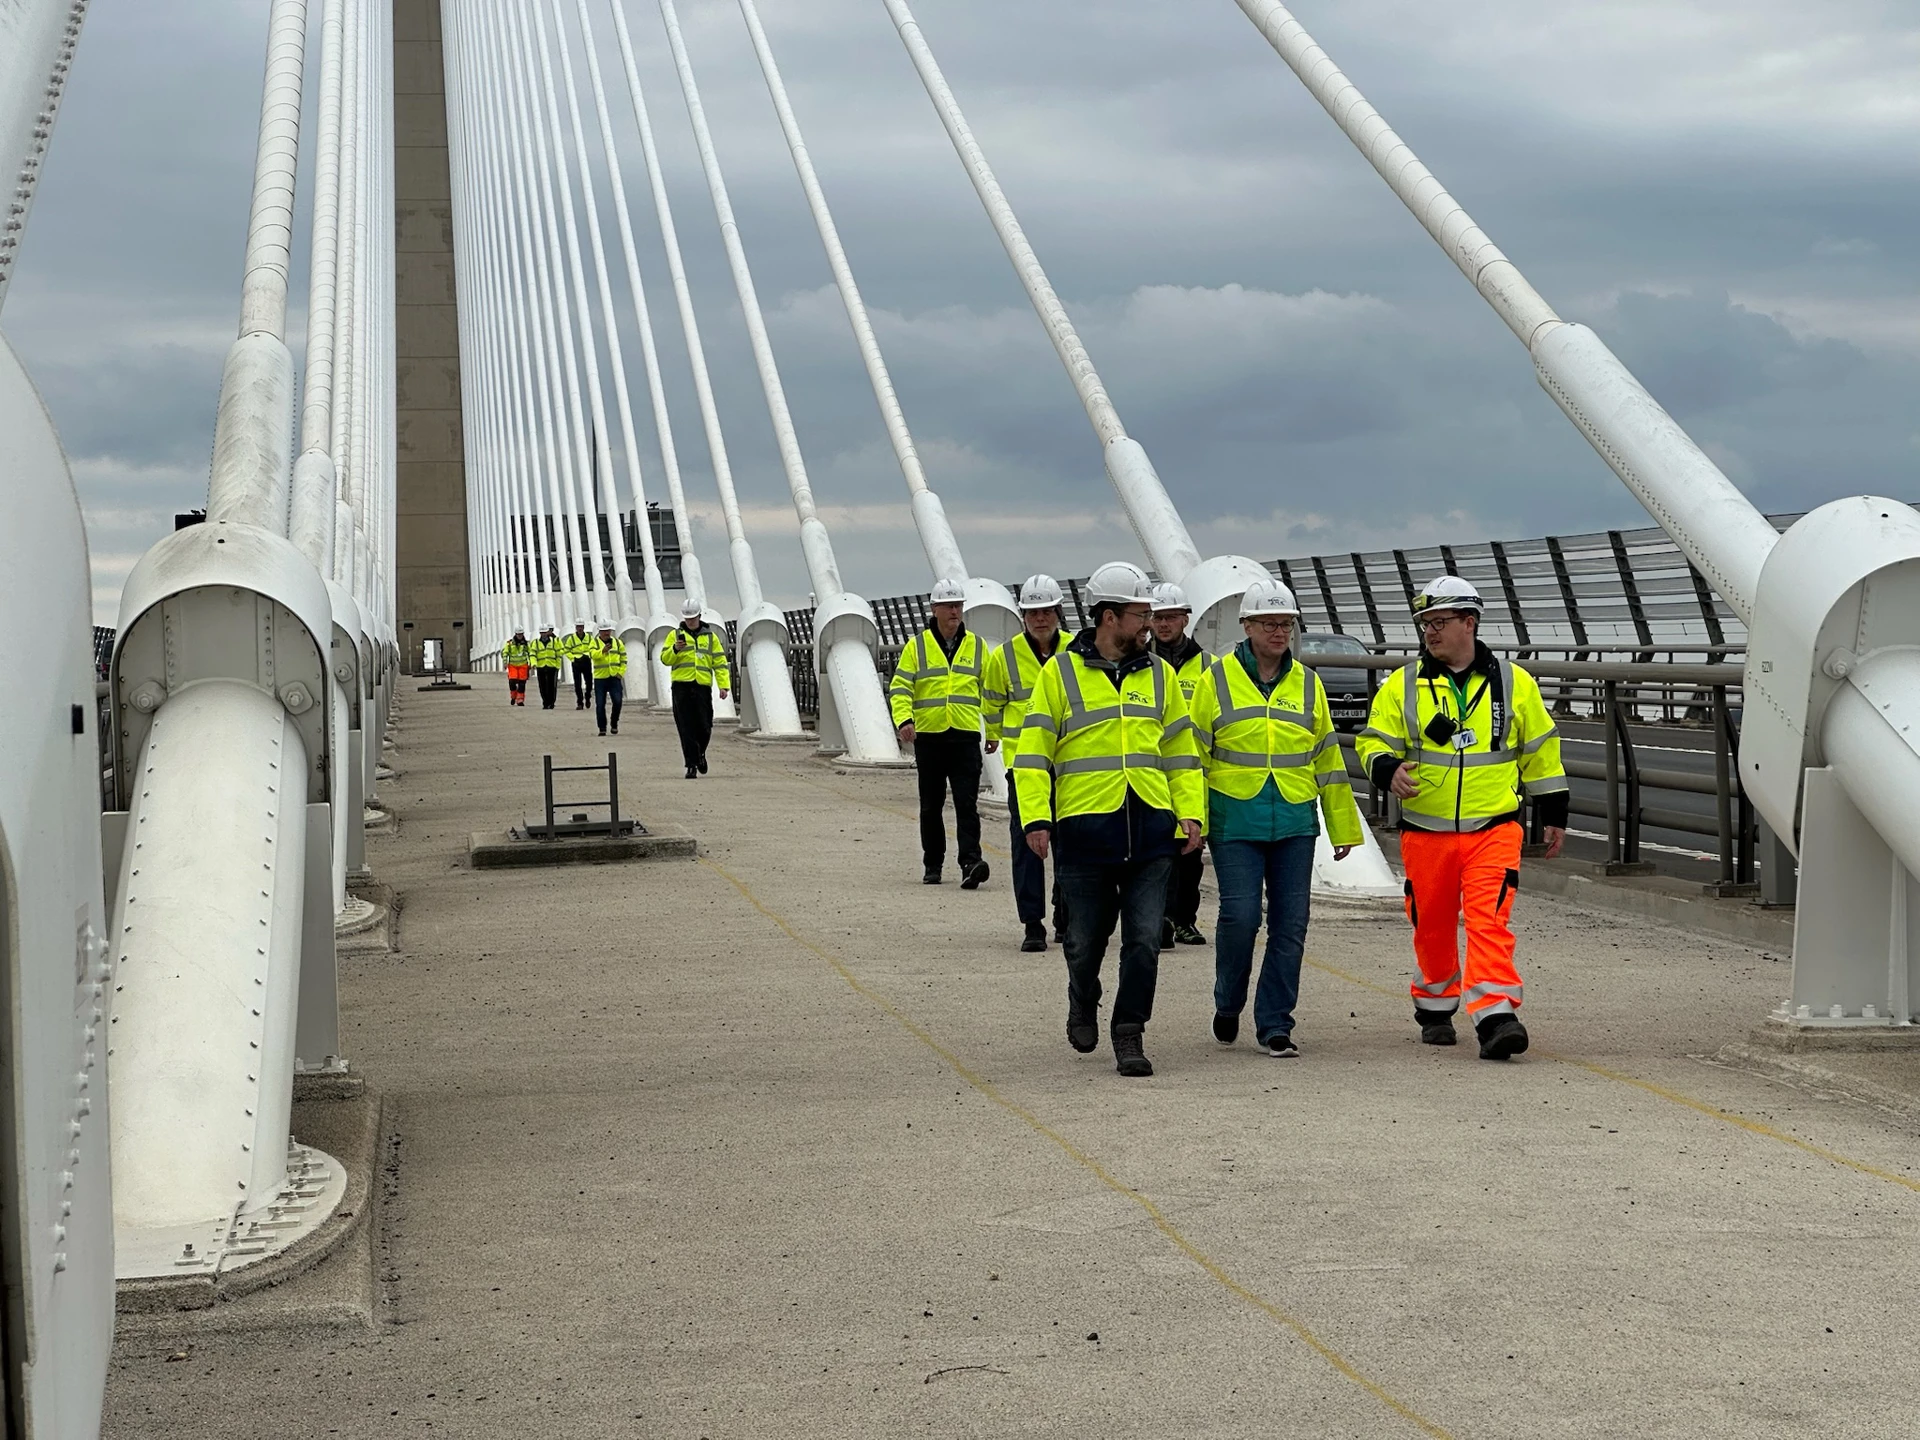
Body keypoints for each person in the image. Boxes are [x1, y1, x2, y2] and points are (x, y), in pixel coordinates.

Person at [1356, 575, 1569, 1061]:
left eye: (1439, 622)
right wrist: (1387, 770)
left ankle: (1495, 1015)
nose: (1429, 632)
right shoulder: (1402, 685)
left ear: (1468, 623)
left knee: (1489, 921)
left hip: (1493, 828)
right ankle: (1435, 1005)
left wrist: (1553, 811)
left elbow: (1541, 750)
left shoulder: (1515, 683)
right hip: (1425, 832)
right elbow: (1372, 741)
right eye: (1424, 624)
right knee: (1430, 924)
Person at [1014, 560, 1204, 1078]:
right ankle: (1083, 997)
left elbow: (1181, 753)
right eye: (1140, 614)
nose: (1149, 624)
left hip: (1150, 829)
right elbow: (1033, 754)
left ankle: (1129, 1032)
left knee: (1145, 939)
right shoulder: (1060, 673)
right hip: (1084, 829)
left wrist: (1190, 813)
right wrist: (1036, 818)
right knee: (1083, 941)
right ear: (1108, 617)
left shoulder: (1160, 674)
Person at [1188, 580, 1363, 1058]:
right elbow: (1193, 753)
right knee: (1241, 918)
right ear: (1247, 627)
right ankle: (1228, 1003)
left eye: (1286, 623)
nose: (1279, 631)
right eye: (1269, 623)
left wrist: (1343, 827)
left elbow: (1328, 758)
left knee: (1291, 925)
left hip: (1294, 819)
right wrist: (1190, 818)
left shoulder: (1308, 683)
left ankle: (1275, 1024)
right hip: (1234, 816)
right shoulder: (1216, 679)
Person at [983, 575, 1072, 952]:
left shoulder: (1078, 650)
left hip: (1071, 765)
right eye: (1033, 612)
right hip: (1024, 766)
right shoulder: (1004, 656)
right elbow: (991, 701)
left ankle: (1066, 914)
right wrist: (995, 736)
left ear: (1057, 613)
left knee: (1072, 844)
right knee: (1026, 845)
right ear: (1023, 616)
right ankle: (1032, 922)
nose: (1040, 618)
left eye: (1046, 611)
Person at [890, 577, 991, 889]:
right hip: (930, 737)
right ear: (934, 609)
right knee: (931, 805)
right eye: (948, 605)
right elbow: (900, 687)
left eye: (958, 605)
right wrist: (904, 720)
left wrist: (995, 730)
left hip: (964, 735)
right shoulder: (917, 647)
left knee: (966, 803)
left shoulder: (977, 646)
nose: (954, 611)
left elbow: (990, 690)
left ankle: (971, 862)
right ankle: (933, 864)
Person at [1148, 583, 1210, 950]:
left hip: (1193, 770)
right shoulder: (1141, 663)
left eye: (1171, 616)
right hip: (1153, 769)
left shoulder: (1207, 667)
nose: (1164, 623)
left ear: (1186, 618)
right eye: (1157, 617)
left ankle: (1184, 920)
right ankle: (1159, 920)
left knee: (1190, 851)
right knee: (1156, 851)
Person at [663, 598, 730, 779]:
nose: (690, 621)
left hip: (701, 686)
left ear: (700, 616)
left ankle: (700, 753)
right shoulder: (674, 635)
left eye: (693, 618)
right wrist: (675, 650)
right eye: (687, 618)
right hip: (681, 686)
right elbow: (664, 659)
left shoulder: (710, 638)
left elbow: (720, 662)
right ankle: (691, 764)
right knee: (685, 727)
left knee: (705, 725)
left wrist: (724, 685)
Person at [590, 623, 627, 737]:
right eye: (604, 631)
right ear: (599, 632)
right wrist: (603, 650)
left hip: (614, 677)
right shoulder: (594, 642)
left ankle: (614, 722)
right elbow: (592, 655)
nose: (606, 633)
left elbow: (624, 658)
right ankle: (602, 728)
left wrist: (621, 672)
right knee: (600, 704)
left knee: (618, 701)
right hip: (600, 678)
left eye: (608, 631)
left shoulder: (617, 642)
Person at [530, 624, 564, 709]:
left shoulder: (554, 641)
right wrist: (533, 663)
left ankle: (551, 702)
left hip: (551, 666)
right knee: (542, 685)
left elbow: (558, 654)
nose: (544, 634)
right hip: (541, 666)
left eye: (545, 632)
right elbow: (533, 654)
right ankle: (545, 702)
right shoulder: (536, 642)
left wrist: (558, 665)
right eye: (542, 633)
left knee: (551, 686)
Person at [563, 619, 595, 710]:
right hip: (576, 662)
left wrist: (589, 655)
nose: (580, 628)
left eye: (581, 627)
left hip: (586, 661)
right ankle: (580, 702)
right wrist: (573, 659)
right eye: (578, 627)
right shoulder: (571, 638)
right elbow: (567, 650)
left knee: (589, 682)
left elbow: (593, 647)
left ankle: (588, 696)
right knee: (578, 684)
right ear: (576, 627)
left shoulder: (589, 637)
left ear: (583, 627)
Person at [502, 628, 531, 706]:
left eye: (521, 634)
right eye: (518, 634)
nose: (520, 636)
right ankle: (513, 696)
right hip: (512, 665)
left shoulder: (526, 644)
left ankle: (520, 699)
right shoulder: (510, 643)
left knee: (522, 683)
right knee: (512, 681)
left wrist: (531, 663)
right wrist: (505, 662)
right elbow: (505, 653)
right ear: (515, 634)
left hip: (523, 665)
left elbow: (530, 653)